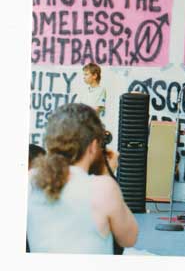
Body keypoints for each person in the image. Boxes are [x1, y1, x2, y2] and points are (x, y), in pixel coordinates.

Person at [27, 103, 138, 254]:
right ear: (93, 146)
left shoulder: (30, 179)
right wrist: (106, 172)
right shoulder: (103, 188)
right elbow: (129, 239)